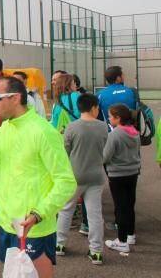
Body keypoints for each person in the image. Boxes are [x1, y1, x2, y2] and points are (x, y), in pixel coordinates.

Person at [0, 76, 76, 278]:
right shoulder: (2, 130)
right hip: (7, 222)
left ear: (15, 98)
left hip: (34, 226)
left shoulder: (43, 131)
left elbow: (66, 181)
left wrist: (39, 214)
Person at [55, 94, 108, 265]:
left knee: (65, 210)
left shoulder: (71, 127)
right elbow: (104, 150)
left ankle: (60, 245)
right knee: (94, 214)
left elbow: (66, 151)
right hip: (96, 176)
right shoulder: (103, 127)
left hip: (75, 175)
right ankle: (96, 251)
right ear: (93, 107)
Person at [103, 104, 141, 253]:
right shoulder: (135, 132)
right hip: (133, 173)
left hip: (117, 174)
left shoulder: (114, 135)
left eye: (111, 117)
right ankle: (131, 235)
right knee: (130, 204)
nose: (109, 119)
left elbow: (105, 157)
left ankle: (122, 241)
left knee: (120, 207)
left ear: (118, 118)